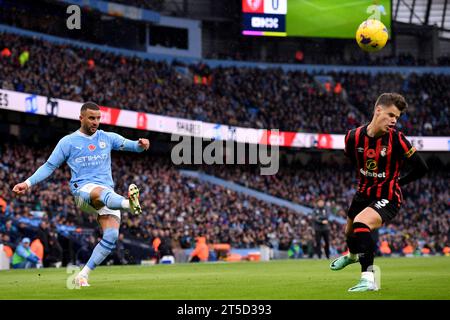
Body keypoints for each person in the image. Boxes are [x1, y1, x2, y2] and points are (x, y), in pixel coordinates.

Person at [12, 102, 150, 287]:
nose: (95, 122)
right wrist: (27, 183)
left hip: (108, 194)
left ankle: (82, 275)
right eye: (91, 118)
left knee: (111, 236)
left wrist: (142, 144)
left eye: (98, 118)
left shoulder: (107, 137)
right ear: (81, 118)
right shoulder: (68, 142)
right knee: (101, 193)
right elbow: (49, 166)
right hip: (83, 192)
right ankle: (128, 204)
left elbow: (134, 146)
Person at [330, 93, 428, 292]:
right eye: (391, 115)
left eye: (397, 118)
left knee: (361, 224)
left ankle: (368, 279)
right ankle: (351, 256)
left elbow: (422, 168)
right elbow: (352, 157)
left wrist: (399, 182)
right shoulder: (353, 137)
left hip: (388, 196)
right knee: (349, 232)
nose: (394, 121)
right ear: (378, 110)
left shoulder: (398, 140)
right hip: (363, 193)